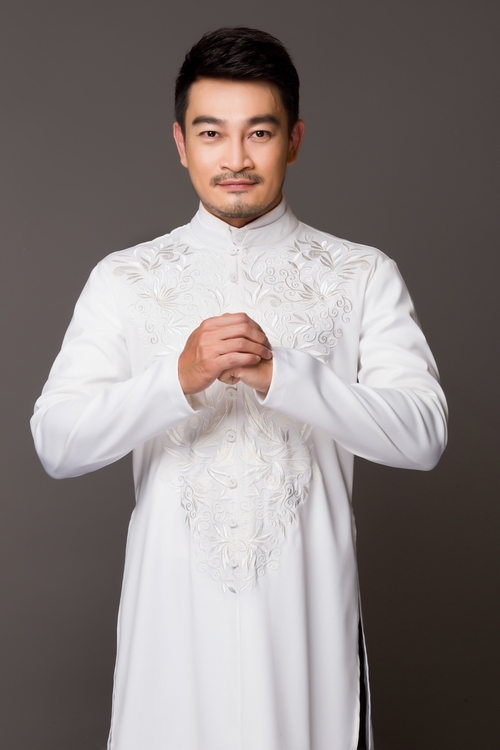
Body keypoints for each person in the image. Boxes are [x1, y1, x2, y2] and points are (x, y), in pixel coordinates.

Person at [31, 27, 447, 750]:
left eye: (259, 132)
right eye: (211, 133)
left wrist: (284, 375)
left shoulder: (360, 273)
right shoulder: (125, 279)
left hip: (307, 625)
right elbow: (57, 443)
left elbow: (423, 434)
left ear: (294, 139)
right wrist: (178, 379)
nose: (235, 159)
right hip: (171, 627)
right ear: (180, 143)